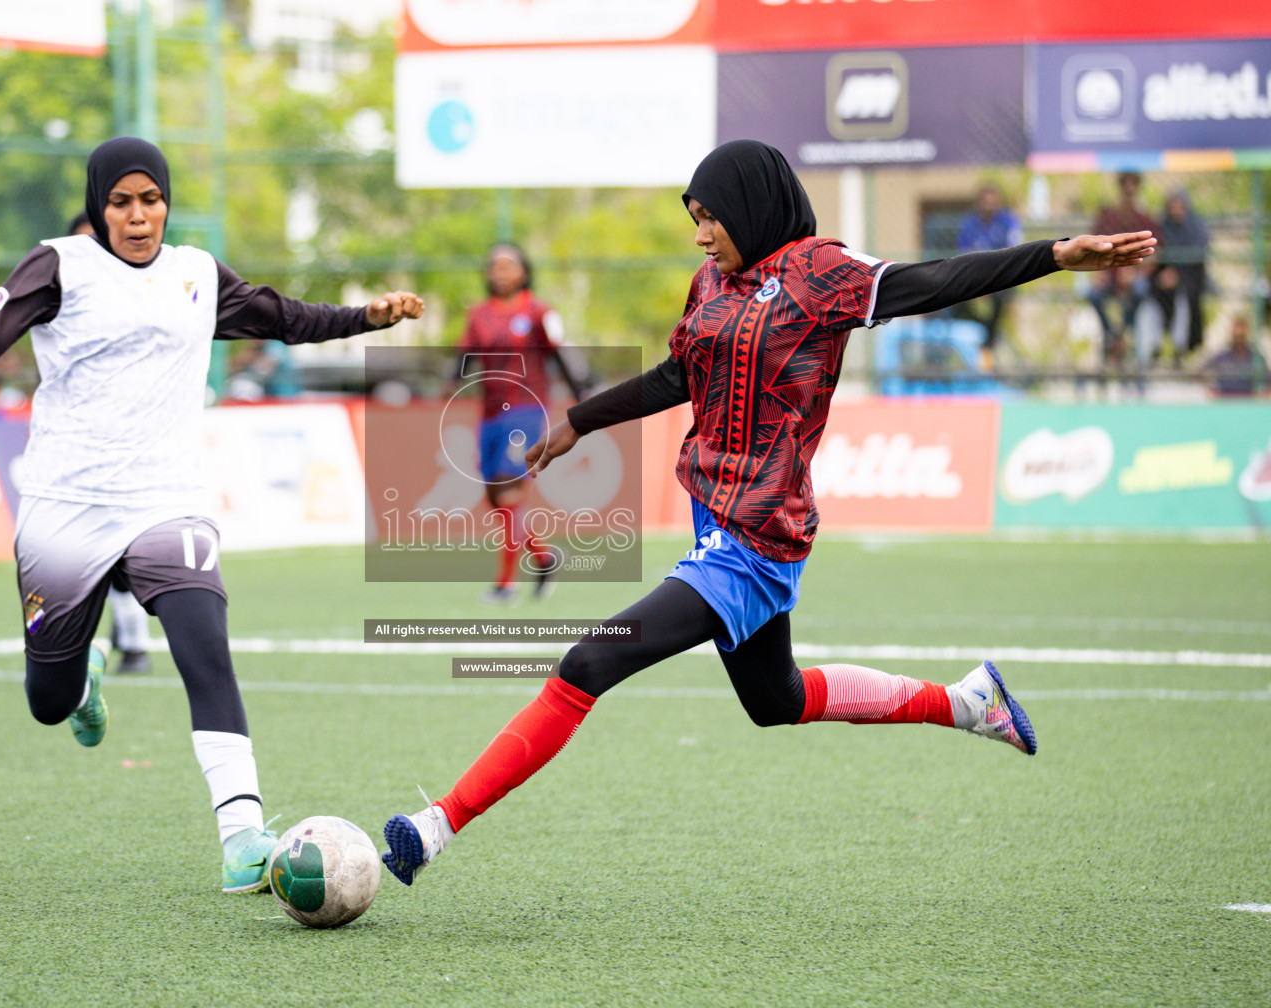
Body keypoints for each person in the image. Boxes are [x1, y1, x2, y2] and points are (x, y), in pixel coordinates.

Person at [379, 139, 1155, 887]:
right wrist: (580, 420)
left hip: (756, 535)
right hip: (708, 513)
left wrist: (1054, 255)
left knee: (589, 662)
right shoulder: (710, 283)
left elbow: (939, 278)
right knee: (773, 700)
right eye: (694, 216)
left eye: (709, 215)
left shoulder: (824, 273)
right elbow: (674, 375)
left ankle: (437, 826)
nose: (700, 233)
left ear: (749, 208)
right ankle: (966, 703)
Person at [0, 137, 423, 893]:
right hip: (63, 508)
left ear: (166, 203)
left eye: (151, 199)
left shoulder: (195, 275)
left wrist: (367, 316)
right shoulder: (59, 266)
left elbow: (284, 316)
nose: (138, 216)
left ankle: (243, 837)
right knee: (48, 702)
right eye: (121, 202)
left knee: (205, 647)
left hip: (166, 498)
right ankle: (82, 685)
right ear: (99, 207)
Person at [457, 242, 586, 603]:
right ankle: (544, 557)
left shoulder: (538, 311)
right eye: (493, 265)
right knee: (495, 497)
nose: (499, 271)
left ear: (523, 271)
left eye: (507, 264)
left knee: (509, 490)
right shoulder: (478, 314)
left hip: (527, 409)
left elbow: (561, 354)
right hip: (490, 415)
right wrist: (452, 376)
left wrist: (583, 396)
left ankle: (505, 583)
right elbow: (463, 357)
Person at [65, 209, 155, 672]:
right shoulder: (56, 296)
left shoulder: (146, 296)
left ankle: (134, 642)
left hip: (132, 444)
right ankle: (75, 651)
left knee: (126, 548)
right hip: (73, 446)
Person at [1086, 171, 1160, 365]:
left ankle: (1122, 331)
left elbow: (1154, 254)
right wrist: (1099, 272)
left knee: (1141, 289)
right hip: (1109, 273)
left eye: (1132, 188)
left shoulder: (1144, 219)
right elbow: (1092, 246)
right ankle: (1113, 333)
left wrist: (1135, 272)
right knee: (1091, 294)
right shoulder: (1108, 216)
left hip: (1133, 274)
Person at [952, 184, 1022, 365]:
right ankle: (985, 332)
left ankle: (989, 344)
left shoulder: (1007, 221)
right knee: (955, 300)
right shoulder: (969, 223)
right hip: (975, 273)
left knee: (1000, 299)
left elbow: (1013, 251)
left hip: (1002, 274)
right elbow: (963, 253)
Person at [1154, 191, 1210, 363]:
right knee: (1149, 298)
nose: (1176, 210)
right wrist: (1165, 273)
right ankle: (1153, 349)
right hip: (1163, 283)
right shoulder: (1163, 227)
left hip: (1190, 280)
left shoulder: (1195, 227)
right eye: (1173, 206)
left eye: (1180, 206)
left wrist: (1177, 274)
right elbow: (1157, 256)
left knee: (1183, 300)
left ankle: (1180, 349)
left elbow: (1198, 256)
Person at [1202, 316, 1267, 397]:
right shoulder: (1221, 357)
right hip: (1224, 402)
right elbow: (1200, 373)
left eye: (1241, 336)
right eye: (1236, 336)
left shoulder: (1257, 358)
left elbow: (1268, 382)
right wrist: (1211, 390)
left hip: (1250, 403)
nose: (1239, 337)